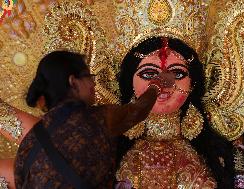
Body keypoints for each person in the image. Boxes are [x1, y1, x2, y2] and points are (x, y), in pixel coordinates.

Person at [0, 50, 175, 189]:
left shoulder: (29, 142)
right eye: (89, 77)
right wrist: (157, 85)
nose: (93, 84)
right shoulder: (98, 119)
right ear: (73, 82)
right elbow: (137, 111)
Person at [115, 37, 234, 189]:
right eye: (148, 73)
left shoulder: (218, 154)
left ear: (192, 84)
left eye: (176, 74)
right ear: (130, 82)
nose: (163, 83)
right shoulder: (109, 152)